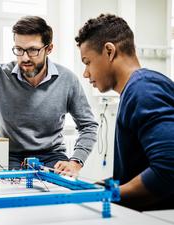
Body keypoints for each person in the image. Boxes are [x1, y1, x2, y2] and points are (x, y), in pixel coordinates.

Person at [0, 16, 98, 175]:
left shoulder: (67, 80)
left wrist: (75, 162)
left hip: (52, 157)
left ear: (49, 49)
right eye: (19, 49)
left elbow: (88, 126)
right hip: (9, 156)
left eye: (32, 50)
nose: (24, 58)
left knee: (63, 194)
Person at [75, 13, 174, 211]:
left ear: (109, 51)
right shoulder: (137, 89)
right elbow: (140, 169)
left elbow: (168, 169)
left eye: (87, 62)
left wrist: (105, 195)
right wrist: (103, 186)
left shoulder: (143, 89)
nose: (86, 73)